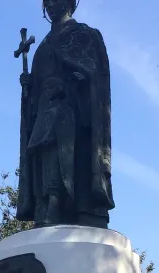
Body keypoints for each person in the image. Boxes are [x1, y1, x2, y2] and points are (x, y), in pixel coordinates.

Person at [17, 0, 114, 228]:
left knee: (67, 158)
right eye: (46, 2)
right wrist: (28, 89)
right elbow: (37, 92)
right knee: (46, 157)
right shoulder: (42, 48)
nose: (51, 5)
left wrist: (79, 85)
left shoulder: (86, 36)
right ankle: (47, 207)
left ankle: (75, 207)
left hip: (73, 116)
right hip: (44, 114)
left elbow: (97, 79)